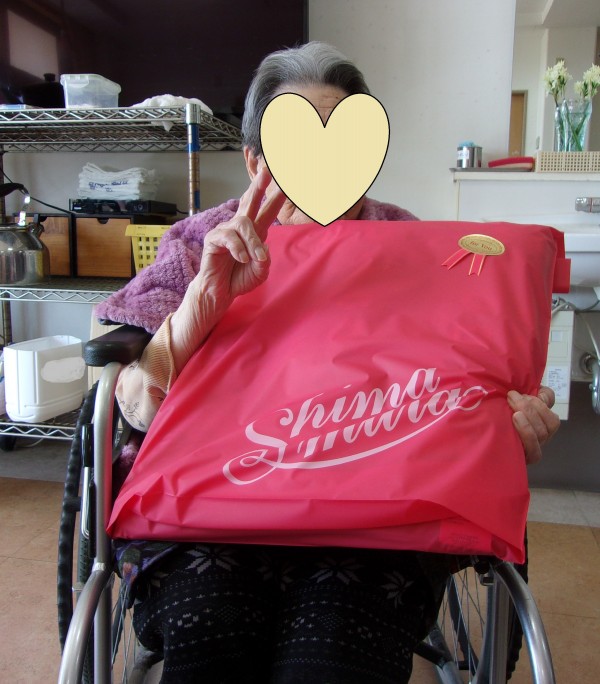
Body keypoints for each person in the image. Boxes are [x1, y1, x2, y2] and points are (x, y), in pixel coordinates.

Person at [96, 41, 559, 684]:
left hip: (374, 517)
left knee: (333, 658)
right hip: (206, 516)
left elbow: (468, 374)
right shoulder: (197, 243)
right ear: (255, 159)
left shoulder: (412, 244)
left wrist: (510, 419)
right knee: (211, 639)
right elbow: (129, 405)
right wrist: (203, 302)